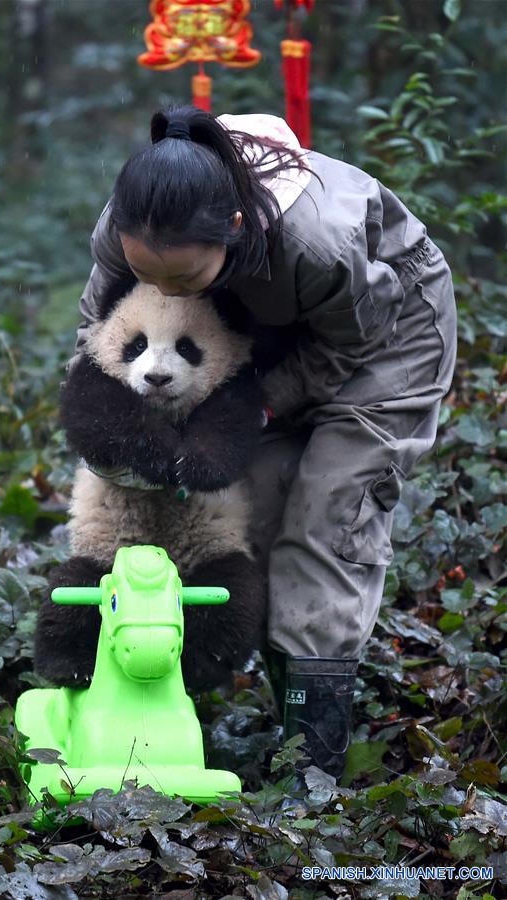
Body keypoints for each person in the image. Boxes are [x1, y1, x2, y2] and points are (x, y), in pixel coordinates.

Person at [70, 105, 457, 778]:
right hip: (258, 339)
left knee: (327, 517)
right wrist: (118, 431)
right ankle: (275, 711)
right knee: (262, 506)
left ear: (236, 230)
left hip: (380, 342)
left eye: (181, 281)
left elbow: (347, 350)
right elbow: (97, 336)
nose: (161, 292)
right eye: (147, 275)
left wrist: (246, 410)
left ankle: (312, 769)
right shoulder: (132, 224)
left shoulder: (318, 241)